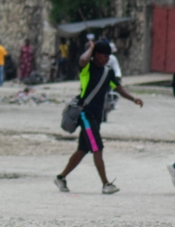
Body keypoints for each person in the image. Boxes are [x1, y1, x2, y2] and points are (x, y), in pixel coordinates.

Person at [54, 40, 143, 195]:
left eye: (108, 56)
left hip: (97, 116)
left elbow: (119, 88)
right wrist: (91, 48)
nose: (107, 59)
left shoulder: (108, 72)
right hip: (85, 114)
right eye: (104, 56)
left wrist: (133, 98)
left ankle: (61, 177)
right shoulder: (87, 68)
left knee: (82, 150)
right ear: (96, 55)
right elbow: (82, 60)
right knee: (97, 148)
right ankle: (106, 184)